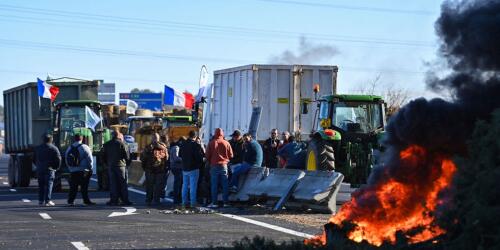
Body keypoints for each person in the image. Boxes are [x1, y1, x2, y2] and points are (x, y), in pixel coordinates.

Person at [102, 131, 132, 206]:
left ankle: (114, 200)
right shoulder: (123, 144)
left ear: (112, 135)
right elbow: (127, 156)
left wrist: (107, 163)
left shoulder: (107, 144)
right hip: (121, 166)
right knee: (123, 184)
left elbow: (102, 156)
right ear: (118, 136)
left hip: (111, 166)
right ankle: (125, 200)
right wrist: (127, 164)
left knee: (113, 184)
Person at [206, 128, 233, 208]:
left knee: (214, 185)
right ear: (222, 134)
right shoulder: (226, 143)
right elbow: (231, 155)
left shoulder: (211, 143)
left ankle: (214, 203)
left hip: (214, 165)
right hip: (224, 165)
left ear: (215, 134)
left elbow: (207, 156)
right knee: (225, 184)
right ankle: (226, 202)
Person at [65, 134, 95, 206]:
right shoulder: (85, 147)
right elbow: (90, 159)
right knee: (84, 187)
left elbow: (66, 159)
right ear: (82, 139)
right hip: (83, 170)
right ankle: (86, 201)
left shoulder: (69, 148)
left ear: (74, 139)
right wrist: (90, 168)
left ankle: (70, 201)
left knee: (73, 187)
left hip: (73, 171)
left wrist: (70, 168)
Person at [33, 133, 61, 206]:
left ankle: (40, 201)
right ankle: (47, 201)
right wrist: (56, 168)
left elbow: (33, 159)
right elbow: (58, 159)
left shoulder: (38, 148)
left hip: (40, 169)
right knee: (49, 185)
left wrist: (38, 165)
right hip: (50, 169)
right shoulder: (54, 148)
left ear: (43, 140)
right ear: (51, 140)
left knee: (41, 185)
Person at [141, 133, 168, 206]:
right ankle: (156, 200)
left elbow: (143, 159)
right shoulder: (163, 147)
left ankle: (149, 200)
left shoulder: (148, 147)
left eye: (154, 138)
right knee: (157, 186)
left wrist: (144, 168)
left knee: (150, 186)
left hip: (151, 170)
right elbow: (167, 159)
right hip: (158, 170)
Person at [179, 131, 204, 208]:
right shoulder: (195, 145)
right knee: (193, 186)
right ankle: (193, 203)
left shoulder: (183, 144)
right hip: (193, 168)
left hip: (184, 168)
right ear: (195, 137)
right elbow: (199, 157)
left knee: (185, 186)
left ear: (188, 135)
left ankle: (184, 202)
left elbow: (180, 155)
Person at [169, 137, 185, 205]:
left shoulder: (174, 147)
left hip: (175, 167)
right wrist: (184, 159)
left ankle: (177, 198)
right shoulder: (176, 148)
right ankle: (176, 199)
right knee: (178, 184)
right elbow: (176, 158)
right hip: (177, 167)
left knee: (178, 183)